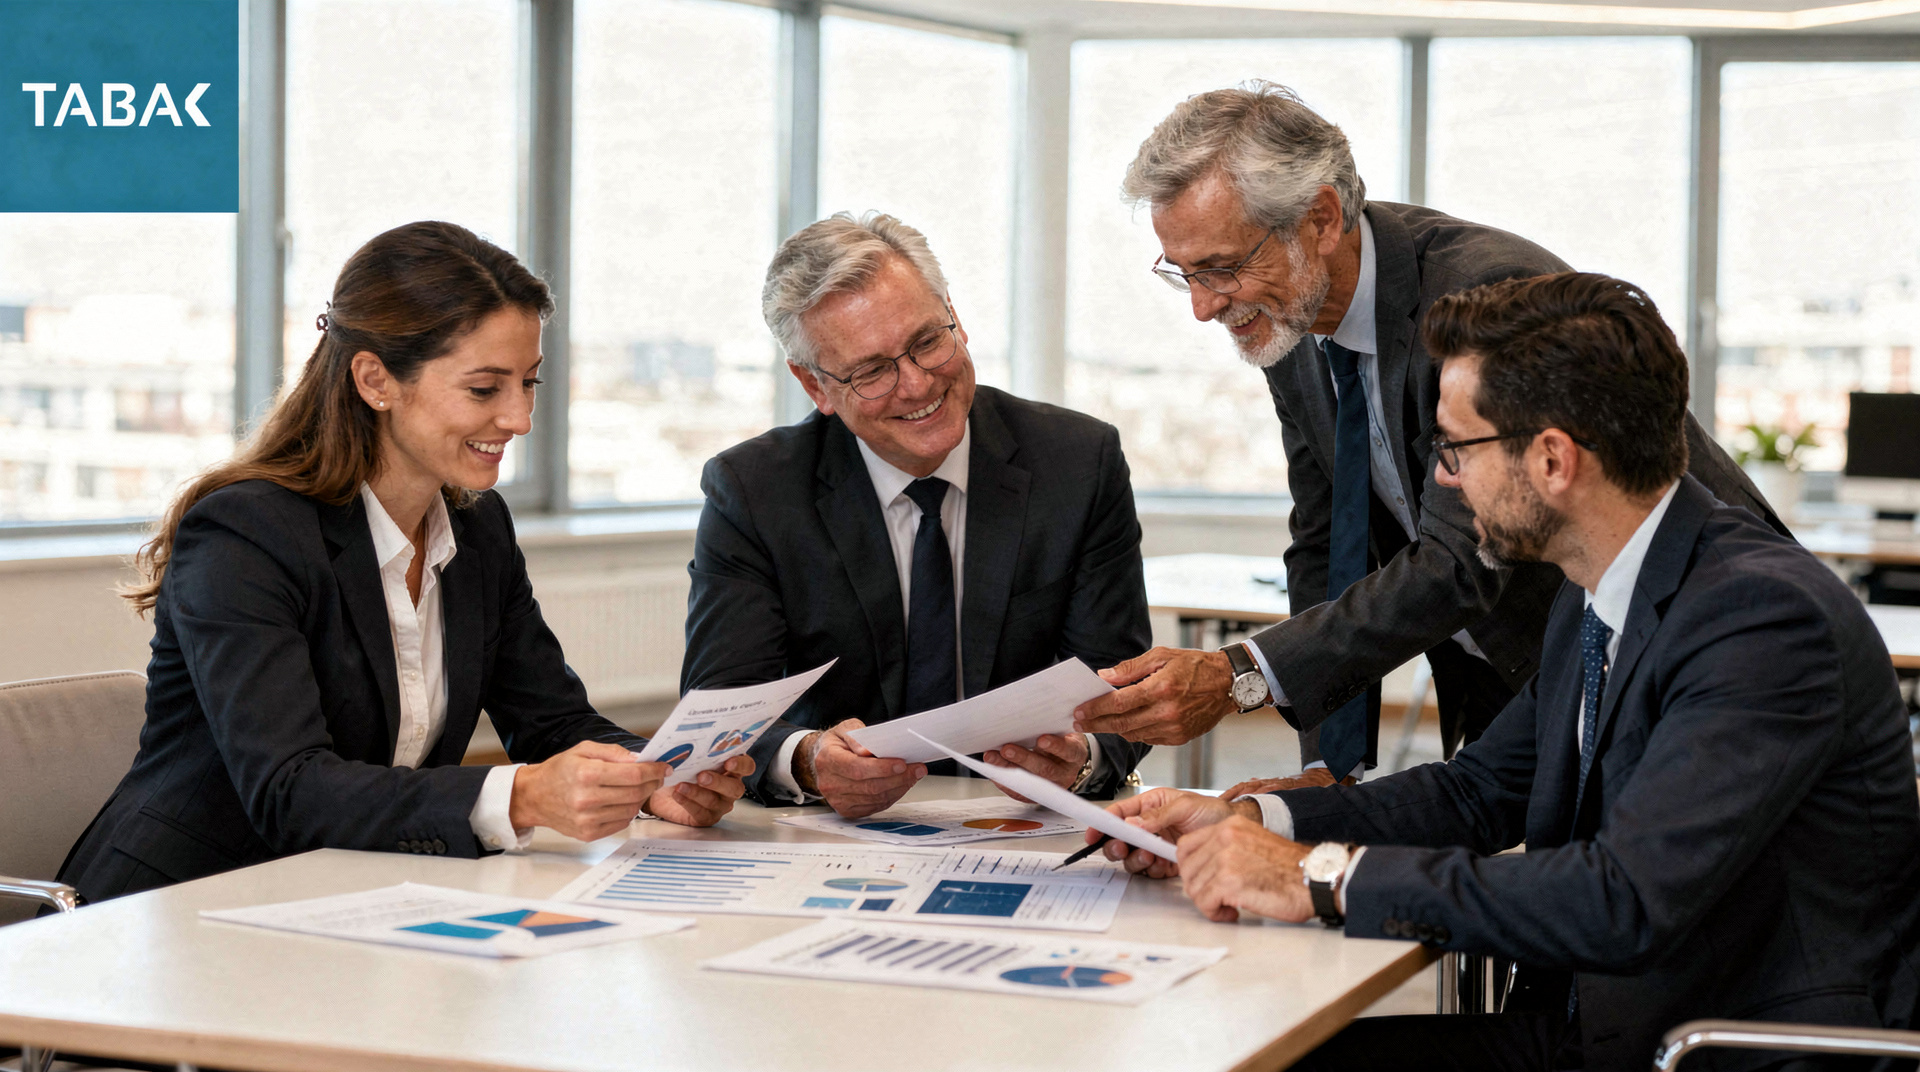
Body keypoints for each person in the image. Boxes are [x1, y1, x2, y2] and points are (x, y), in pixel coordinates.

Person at [1096, 272, 1920, 1072]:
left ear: (1554, 460)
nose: (1444, 479)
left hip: (1718, 1049)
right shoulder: (1596, 586)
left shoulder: (1761, 620)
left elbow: (1620, 900)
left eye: (1454, 447)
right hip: (1600, 1025)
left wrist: (1318, 878)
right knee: (1259, 1051)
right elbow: (1478, 792)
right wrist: (1251, 819)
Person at [1074, 82, 1785, 784]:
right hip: (1506, 676)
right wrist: (1329, 765)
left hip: (1677, 647)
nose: (1203, 307)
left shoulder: (1484, 296)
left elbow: (1463, 555)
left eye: (1222, 268)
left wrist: (1242, 676)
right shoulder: (1289, 318)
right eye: (1185, 274)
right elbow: (1329, 543)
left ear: (1321, 219)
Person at [58, 222, 750, 904]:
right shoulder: (247, 531)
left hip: (350, 898)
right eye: (484, 389)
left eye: (530, 383)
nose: (520, 419)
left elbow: (554, 722)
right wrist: (523, 795)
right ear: (375, 380)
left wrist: (659, 776)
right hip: (177, 910)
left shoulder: (479, 531)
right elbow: (289, 790)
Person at [682, 212, 1150, 817]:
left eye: (928, 341)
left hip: (1036, 824)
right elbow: (721, 709)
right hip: (832, 832)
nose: (916, 385)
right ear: (815, 386)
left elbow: (1125, 687)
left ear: (956, 316)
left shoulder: (1078, 462)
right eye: (873, 370)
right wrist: (808, 760)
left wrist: (1081, 756)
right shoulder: (754, 491)